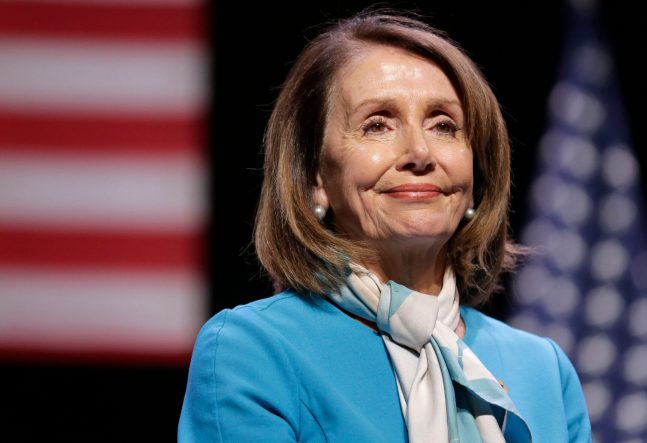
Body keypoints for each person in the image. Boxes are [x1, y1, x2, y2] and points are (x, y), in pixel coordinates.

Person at [179, 10, 591, 443]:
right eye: (377, 124)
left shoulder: (543, 370)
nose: (420, 152)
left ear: (476, 177)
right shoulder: (254, 351)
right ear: (316, 178)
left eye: (444, 126)